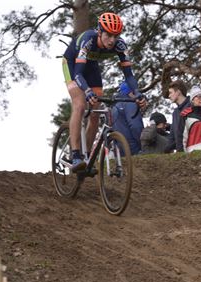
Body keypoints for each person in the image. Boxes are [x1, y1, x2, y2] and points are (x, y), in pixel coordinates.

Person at [62, 12, 146, 171]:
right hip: (73, 65)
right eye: (108, 35)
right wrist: (86, 91)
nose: (112, 40)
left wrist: (137, 93)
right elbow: (78, 74)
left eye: (116, 36)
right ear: (100, 32)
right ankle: (75, 154)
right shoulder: (88, 40)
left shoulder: (120, 45)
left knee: (96, 113)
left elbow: (129, 75)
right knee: (79, 105)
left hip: (91, 66)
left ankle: (85, 158)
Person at [112, 82, 144, 155]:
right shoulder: (130, 103)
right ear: (131, 92)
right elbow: (136, 127)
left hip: (119, 150)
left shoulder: (114, 106)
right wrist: (143, 144)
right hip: (133, 149)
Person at [164, 80, 191, 153]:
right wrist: (164, 151)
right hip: (181, 153)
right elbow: (172, 137)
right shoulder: (175, 113)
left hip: (194, 150)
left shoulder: (193, 107)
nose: (169, 96)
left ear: (178, 92)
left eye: (170, 93)